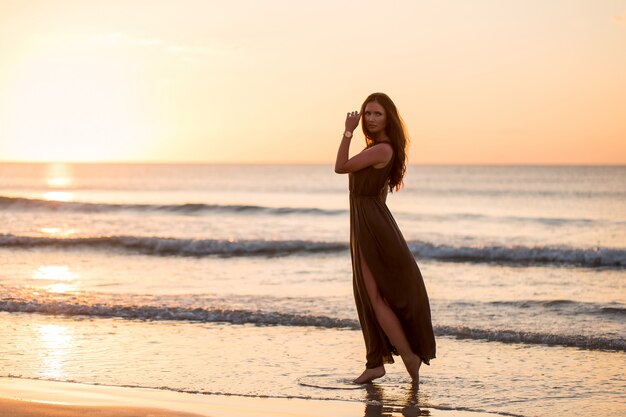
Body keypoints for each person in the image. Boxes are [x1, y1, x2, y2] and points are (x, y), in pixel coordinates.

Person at [334, 92, 436, 384]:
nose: (371, 118)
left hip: (371, 226)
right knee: (370, 296)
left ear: (388, 118)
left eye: (377, 114)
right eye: (367, 113)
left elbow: (340, 166)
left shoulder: (382, 149)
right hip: (370, 222)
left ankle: (405, 358)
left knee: (375, 297)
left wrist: (347, 131)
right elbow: (377, 194)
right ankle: (376, 362)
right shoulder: (376, 149)